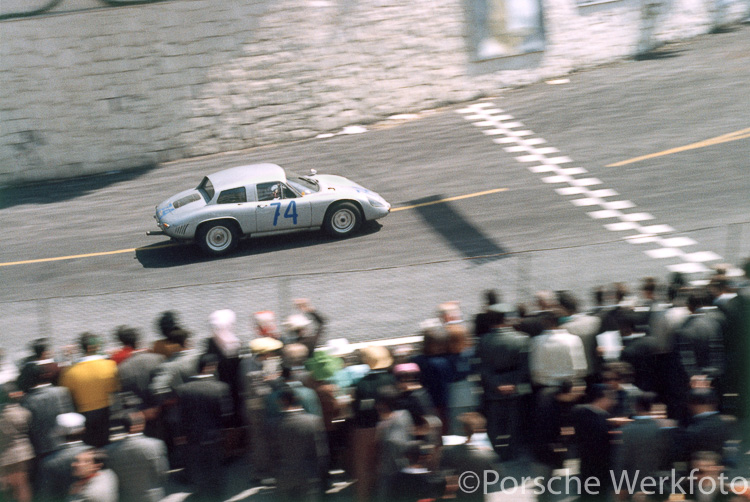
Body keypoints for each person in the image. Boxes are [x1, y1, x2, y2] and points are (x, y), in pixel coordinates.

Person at [475, 303, 531, 460]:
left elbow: (481, 368)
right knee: (514, 422)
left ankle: (495, 454)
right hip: (515, 388)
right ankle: (512, 453)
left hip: (493, 389)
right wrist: (513, 384)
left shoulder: (482, 341)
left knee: (494, 424)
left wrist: (496, 384)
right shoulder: (522, 339)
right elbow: (524, 368)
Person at [175, 352, 232, 502]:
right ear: (210, 367)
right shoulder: (220, 388)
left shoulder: (183, 389)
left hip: (192, 436)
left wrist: (181, 435)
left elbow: (180, 416)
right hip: (214, 435)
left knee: (198, 468)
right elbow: (226, 415)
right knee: (215, 468)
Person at [60, 333, 119, 448]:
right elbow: (115, 388)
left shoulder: (69, 372)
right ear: (94, 347)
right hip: (105, 412)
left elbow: (66, 394)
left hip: (83, 414)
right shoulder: (110, 365)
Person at [274, 386, 329, 502]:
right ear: (297, 399)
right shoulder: (313, 421)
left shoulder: (273, 425)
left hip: (284, 477)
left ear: (280, 401)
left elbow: (270, 455)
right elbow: (322, 454)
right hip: (309, 476)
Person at [104, 412, 168, 502]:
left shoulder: (110, 450)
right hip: (152, 497)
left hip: (126, 497)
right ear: (141, 425)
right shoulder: (155, 445)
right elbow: (162, 473)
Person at [573, 384, 616, 502]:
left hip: (585, 464)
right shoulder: (603, 420)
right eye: (610, 397)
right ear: (600, 398)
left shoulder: (578, 411)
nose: (612, 401)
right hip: (600, 469)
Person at [0, 383, 34, 502]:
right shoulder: (21, 411)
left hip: (6, 456)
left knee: (10, 488)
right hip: (23, 453)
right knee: (22, 486)